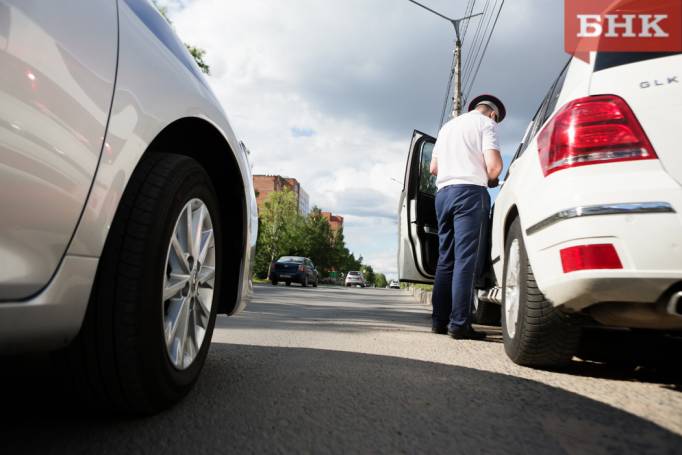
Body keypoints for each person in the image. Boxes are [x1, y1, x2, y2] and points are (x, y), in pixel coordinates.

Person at [429, 94, 505, 340]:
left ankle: (439, 321)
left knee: (445, 259)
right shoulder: (487, 124)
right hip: (470, 193)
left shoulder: (447, 127)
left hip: (443, 195)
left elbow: (433, 168)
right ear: (493, 114)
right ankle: (459, 324)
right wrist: (491, 180)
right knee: (465, 260)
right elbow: (494, 167)